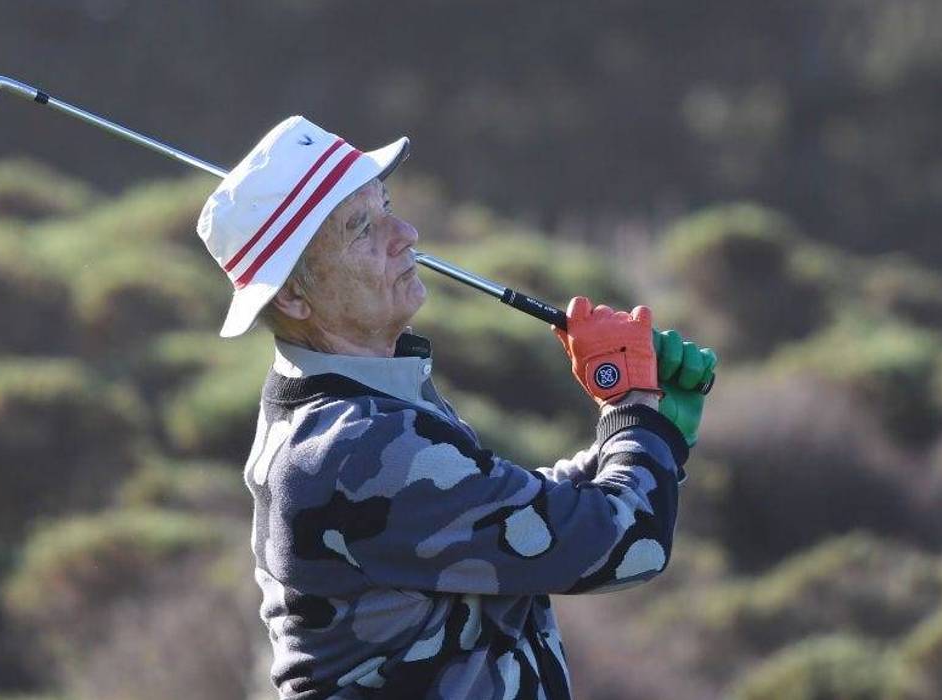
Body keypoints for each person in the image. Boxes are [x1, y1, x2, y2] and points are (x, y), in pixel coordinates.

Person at [197, 116, 716, 699]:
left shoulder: (357, 408)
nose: (407, 232)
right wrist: (633, 410)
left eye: (386, 204)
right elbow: (623, 545)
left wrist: (643, 434)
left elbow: (509, 508)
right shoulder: (356, 449)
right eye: (361, 228)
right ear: (293, 295)